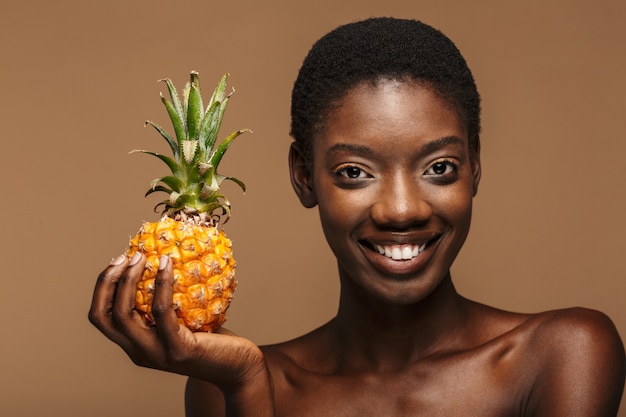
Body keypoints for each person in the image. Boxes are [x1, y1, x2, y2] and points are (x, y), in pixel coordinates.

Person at [89, 17, 626, 417]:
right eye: (354, 172)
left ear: (476, 166)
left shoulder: (563, 352)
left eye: (439, 167)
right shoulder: (224, 383)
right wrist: (248, 383)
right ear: (304, 176)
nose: (401, 210)